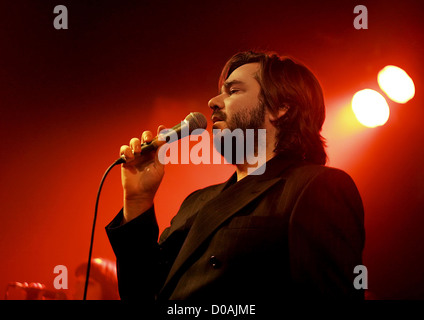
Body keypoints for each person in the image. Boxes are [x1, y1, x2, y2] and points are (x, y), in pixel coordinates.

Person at [105, 51, 365, 302]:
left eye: (234, 90)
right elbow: (141, 293)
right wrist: (138, 200)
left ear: (281, 107)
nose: (213, 101)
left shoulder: (316, 186)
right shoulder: (196, 202)